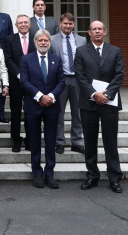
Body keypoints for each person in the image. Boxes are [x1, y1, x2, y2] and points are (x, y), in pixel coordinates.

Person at [74, 20, 125, 193]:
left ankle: (114, 177)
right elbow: (79, 76)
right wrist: (94, 94)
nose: (97, 32)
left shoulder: (115, 51)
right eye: (93, 29)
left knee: (110, 141)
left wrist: (107, 94)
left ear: (105, 32)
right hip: (89, 103)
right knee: (90, 141)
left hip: (109, 103)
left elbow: (119, 75)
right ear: (89, 33)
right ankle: (92, 176)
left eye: (100, 29)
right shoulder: (81, 51)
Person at [20, 30, 65, 189]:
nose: (43, 42)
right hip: (34, 105)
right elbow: (24, 82)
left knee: (51, 140)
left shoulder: (56, 60)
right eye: (40, 40)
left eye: (46, 40)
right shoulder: (26, 59)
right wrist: (40, 96)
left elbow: (61, 82)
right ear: (35, 42)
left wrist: (51, 96)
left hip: (52, 106)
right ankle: (37, 173)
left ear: (50, 43)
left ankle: (50, 173)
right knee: (34, 140)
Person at [50, 12, 86, 155]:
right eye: (65, 23)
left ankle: (77, 142)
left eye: (70, 23)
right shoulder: (52, 40)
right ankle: (60, 142)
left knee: (77, 112)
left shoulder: (82, 40)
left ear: (74, 24)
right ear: (60, 24)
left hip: (77, 80)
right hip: (61, 80)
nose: (68, 26)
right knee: (59, 112)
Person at [4, 14, 36, 152]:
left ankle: (29, 140)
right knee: (15, 112)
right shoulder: (10, 39)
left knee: (30, 112)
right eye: (20, 23)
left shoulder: (36, 38)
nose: (23, 24)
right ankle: (16, 140)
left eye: (25, 22)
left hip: (32, 81)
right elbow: (8, 59)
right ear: (16, 25)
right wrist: (19, 74)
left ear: (29, 24)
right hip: (16, 82)